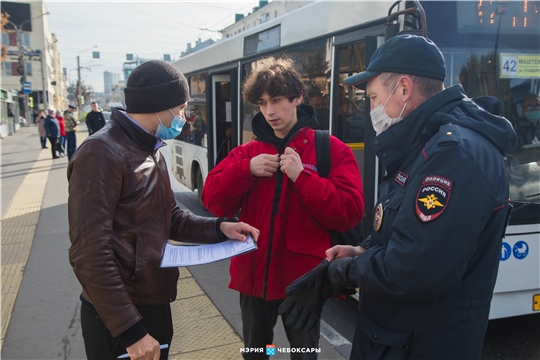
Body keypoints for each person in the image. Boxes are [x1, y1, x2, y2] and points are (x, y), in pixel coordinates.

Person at [279, 34, 517, 360]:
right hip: (395, 340)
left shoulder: (452, 156)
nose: (372, 108)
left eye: (374, 97)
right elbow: (406, 234)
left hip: (419, 346)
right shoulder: (426, 146)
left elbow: (414, 269)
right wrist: (362, 249)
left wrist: (341, 271)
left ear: (403, 89)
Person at [68, 60, 260, 360]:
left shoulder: (149, 148)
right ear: (160, 105)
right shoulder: (101, 153)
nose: (184, 117)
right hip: (119, 315)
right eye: (181, 108)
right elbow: (89, 252)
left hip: (150, 300)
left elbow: (171, 216)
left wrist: (220, 228)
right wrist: (130, 331)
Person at [201, 57, 364, 360]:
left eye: (276, 100)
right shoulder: (248, 152)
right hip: (253, 278)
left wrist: (303, 178)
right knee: (257, 353)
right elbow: (212, 201)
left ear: (298, 98)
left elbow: (350, 211)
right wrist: (245, 170)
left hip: (303, 283)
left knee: (302, 354)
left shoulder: (332, 149)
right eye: (262, 104)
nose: (270, 112)